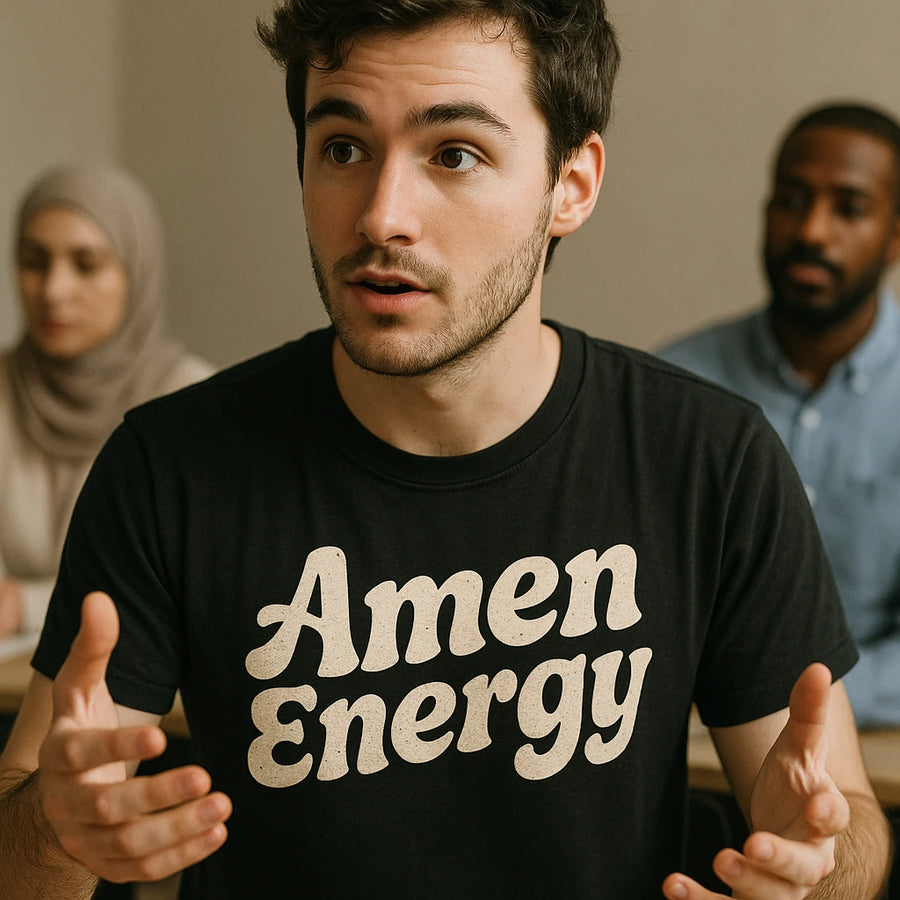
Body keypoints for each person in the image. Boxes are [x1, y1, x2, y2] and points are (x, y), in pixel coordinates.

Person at [0, 4, 892, 898]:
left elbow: (844, 827)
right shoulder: (170, 467)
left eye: (454, 153)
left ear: (571, 185)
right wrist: (52, 827)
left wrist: (820, 867)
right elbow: (22, 851)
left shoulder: (711, 460)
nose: (382, 216)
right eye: (343, 147)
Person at [658, 103, 900, 729]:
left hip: (875, 760)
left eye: (849, 208)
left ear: (896, 236)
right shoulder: (676, 388)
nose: (813, 231)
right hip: (694, 756)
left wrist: (784, 699)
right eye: (791, 199)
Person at [0, 164, 215, 641]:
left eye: (86, 264)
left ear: (135, 272)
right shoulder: (3, 386)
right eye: (34, 261)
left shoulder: (189, 400)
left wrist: (26, 604)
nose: (53, 291)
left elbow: (182, 582)